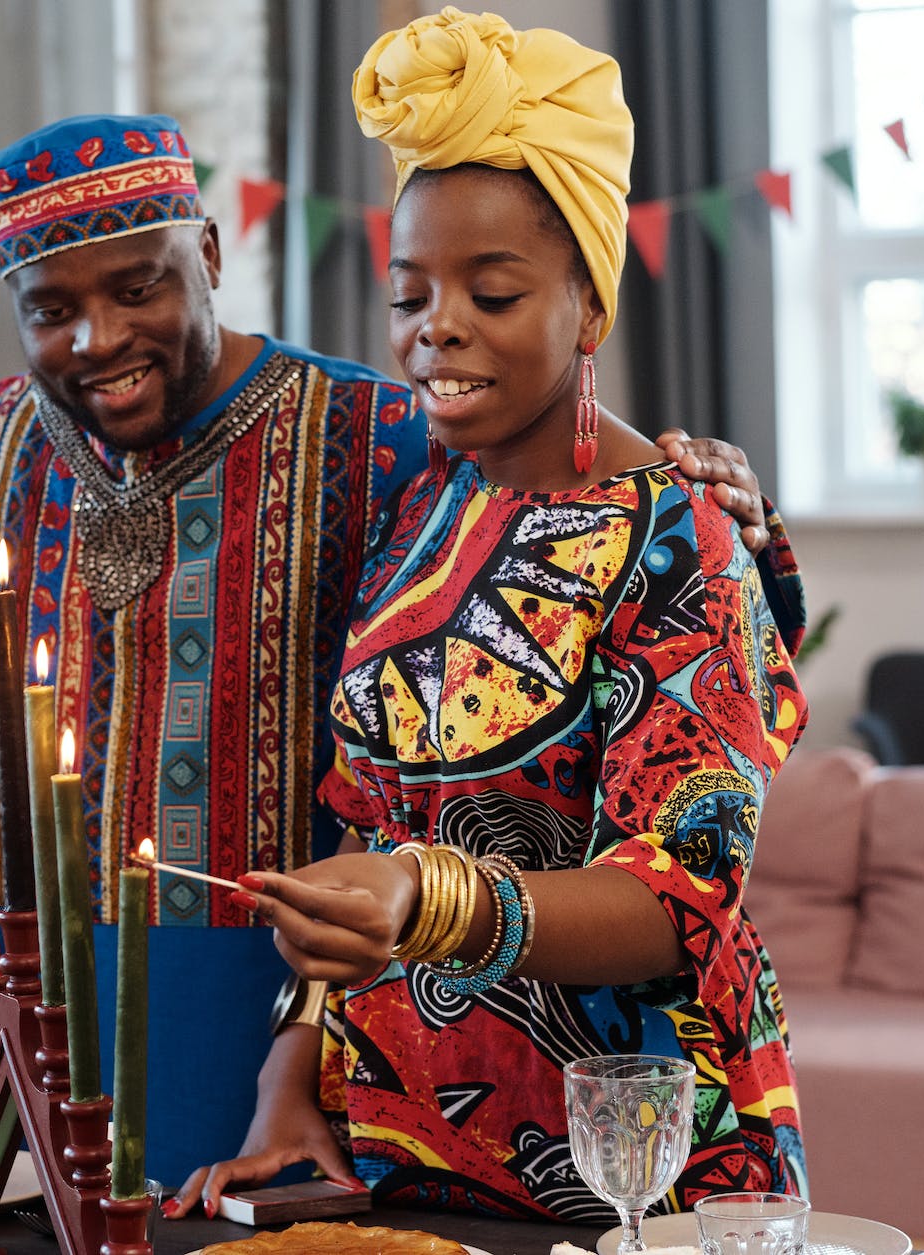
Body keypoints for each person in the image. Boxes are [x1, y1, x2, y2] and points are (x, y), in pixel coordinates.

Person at [0, 113, 797, 1185]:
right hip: (70, 992)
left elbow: (596, 549)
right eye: (51, 309)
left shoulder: (388, 440)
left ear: (205, 255)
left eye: (137, 288)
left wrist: (704, 492)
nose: (97, 338)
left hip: (311, 1000)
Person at [175, 10, 809, 1222]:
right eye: (410, 292)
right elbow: (363, 819)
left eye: (493, 289)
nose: (436, 327)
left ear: (589, 302)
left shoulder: (677, 537)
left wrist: (424, 896)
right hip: (401, 1152)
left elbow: (676, 896)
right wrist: (288, 1074)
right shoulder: (422, 507)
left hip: (642, 1171)